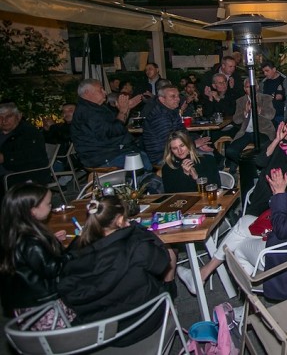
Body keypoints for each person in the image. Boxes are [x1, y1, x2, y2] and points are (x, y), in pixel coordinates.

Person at [178, 147, 287, 301]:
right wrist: (281, 195)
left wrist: (279, 194)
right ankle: (203, 273)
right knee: (244, 222)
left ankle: (251, 304)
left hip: (286, 253)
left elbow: (283, 230)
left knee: (238, 248)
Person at [58, 196, 175, 347]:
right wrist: (137, 229)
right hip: (141, 322)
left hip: (97, 334)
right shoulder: (136, 246)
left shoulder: (73, 254)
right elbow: (162, 260)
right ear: (120, 220)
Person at [0, 184, 73, 329]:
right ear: (32, 211)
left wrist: (50, 241)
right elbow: (54, 269)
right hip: (45, 310)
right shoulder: (31, 242)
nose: (51, 206)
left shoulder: (13, 233)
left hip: (25, 304)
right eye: (48, 203)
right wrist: (73, 251)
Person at [71, 79, 151, 170]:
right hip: (102, 157)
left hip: (110, 152)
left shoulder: (96, 108)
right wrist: (122, 111)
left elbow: (118, 123)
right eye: (100, 89)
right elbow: (112, 131)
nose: (105, 92)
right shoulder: (87, 112)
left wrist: (127, 108)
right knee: (142, 161)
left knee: (144, 153)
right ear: (87, 93)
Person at [247, 118, 287, 217]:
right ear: (285, 128)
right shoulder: (274, 144)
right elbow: (260, 162)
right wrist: (277, 140)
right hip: (267, 190)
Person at [143, 85, 212, 165]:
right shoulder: (159, 116)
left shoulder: (172, 111)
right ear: (162, 99)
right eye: (173, 96)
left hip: (176, 151)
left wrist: (198, 141)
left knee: (209, 153)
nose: (178, 99)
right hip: (163, 157)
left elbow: (183, 133)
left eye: (178, 96)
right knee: (207, 158)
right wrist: (194, 144)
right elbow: (168, 143)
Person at [227, 78, 276, 172]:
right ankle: (248, 167)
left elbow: (271, 115)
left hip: (263, 131)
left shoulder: (265, 98)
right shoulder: (240, 101)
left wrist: (259, 110)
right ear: (244, 89)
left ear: (257, 87)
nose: (250, 89)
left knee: (265, 146)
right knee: (230, 151)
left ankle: (261, 168)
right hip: (246, 132)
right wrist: (245, 112)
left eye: (252, 86)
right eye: (247, 87)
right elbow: (236, 120)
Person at [0, 102, 49, 189]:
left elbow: (34, 157)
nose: (4, 120)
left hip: (20, 176)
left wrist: (5, 158)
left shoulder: (29, 133)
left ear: (18, 116)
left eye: (9, 116)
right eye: (0, 117)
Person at [261, 60, 287, 127]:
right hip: (268, 117)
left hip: (283, 116)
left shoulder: (286, 80)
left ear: (274, 69)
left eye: (267, 71)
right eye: (263, 71)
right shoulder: (263, 83)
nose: (265, 73)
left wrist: (283, 98)